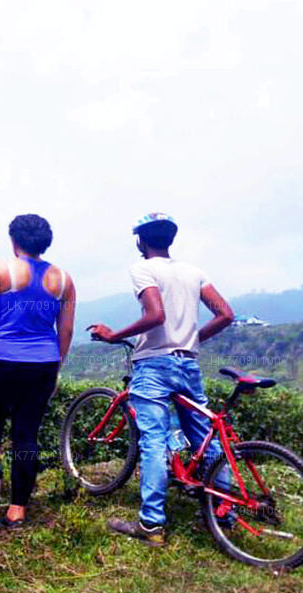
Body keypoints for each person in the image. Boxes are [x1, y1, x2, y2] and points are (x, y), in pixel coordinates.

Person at [86, 212, 234, 546]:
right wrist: (192, 339)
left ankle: (151, 525)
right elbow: (226, 315)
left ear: (141, 240)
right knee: (205, 439)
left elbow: (155, 315)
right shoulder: (194, 272)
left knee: (153, 441)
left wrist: (113, 336)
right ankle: (224, 512)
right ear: (170, 239)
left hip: (154, 366)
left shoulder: (142, 269)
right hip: (188, 363)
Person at [0, 214, 76, 535]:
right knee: (26, 435)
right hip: (42, 365)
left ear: (13, 241)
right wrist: (56, 366)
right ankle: (17, 511)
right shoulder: (64, 280)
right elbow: (65, 330)